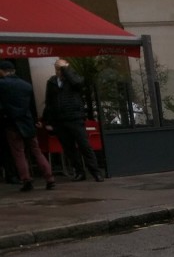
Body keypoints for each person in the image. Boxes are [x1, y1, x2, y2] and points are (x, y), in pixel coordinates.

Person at [42, 58, 102, 181]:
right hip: (59, 120)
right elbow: (49, 102)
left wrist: (65, 69)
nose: (58, 71)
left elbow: (77, 84)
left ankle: (95, 172)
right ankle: (79, 171)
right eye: (57, 68)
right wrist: (46, 120)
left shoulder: (73, 79)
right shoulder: (52, 82)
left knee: (84, 145)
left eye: (60, 68)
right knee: (69, 148)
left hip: (75, 118)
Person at [0, 60, 55, 192]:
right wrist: (35, 120)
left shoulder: (1, 84)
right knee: (37, 151)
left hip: (12, 124)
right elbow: (31, 105)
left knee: (19, 153)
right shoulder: (26, 85)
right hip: (28, 122)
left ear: (2, 71)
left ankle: (26, 180)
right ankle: (49, 178)